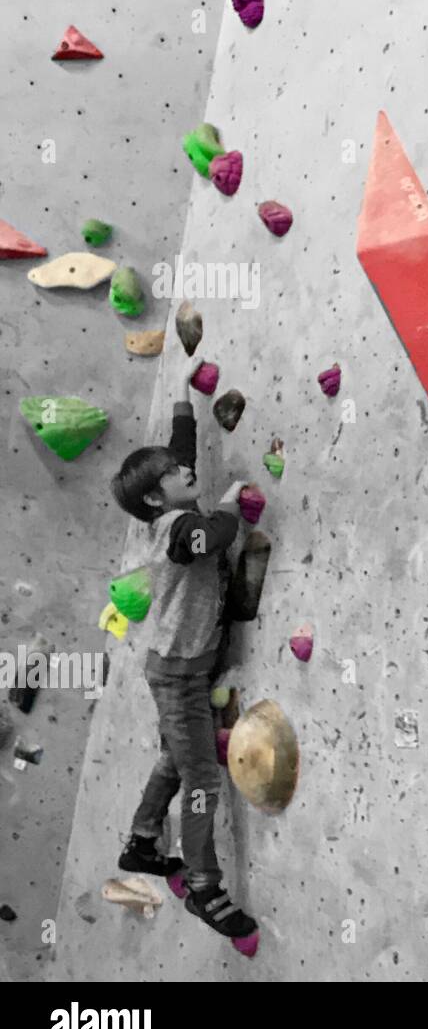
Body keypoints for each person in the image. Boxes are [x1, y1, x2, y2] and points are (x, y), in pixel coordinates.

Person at [109, 362, 256, 942]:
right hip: (181, 677)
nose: (185, 470)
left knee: (177, 758)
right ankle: (203, 887)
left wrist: (182, 403)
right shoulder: (177, 530)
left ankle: (144, 842)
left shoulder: (164, 509)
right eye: (173, 473)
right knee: (201, 777)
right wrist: (228, 501)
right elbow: (215, 536)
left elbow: (179, 454)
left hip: (176, 670)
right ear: (154, 496)